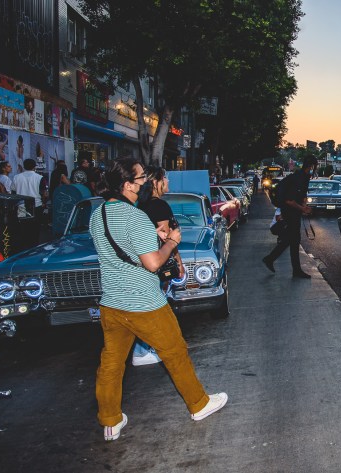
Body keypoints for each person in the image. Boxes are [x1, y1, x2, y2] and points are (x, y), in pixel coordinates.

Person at [89, 157, 227, 441]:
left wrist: (148, 236)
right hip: (144, 303)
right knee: (175, 352)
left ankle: (111, 421)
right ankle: (199, 404)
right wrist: (172, 242)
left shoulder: (98, 213)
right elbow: (152, 263)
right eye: (141, 179)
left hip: (112, 304)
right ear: (128, 185)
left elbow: (119, 245)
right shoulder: (136, 217)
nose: (146, 183)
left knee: (112, 364)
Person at [132, 165, 185, 367]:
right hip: (157, 262)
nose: (168, 182)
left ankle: (144, 348)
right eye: (166, 178)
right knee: (156, 308)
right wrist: (179, 263)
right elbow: (167, 239)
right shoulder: (159, 206)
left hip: (143, 262)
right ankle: (143, 349)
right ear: (156, 182)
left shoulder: (140, 205)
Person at [262, 156, 317, 278]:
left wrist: (304, 205)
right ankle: (271, 259)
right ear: (311, 166)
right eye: (314, 167)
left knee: (293, 240)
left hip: (294, 212)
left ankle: (294, 269)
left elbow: (302, 196)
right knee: (291, 239)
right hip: (289, 212)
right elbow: (289, 201)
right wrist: (303, 209)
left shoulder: (305, 178)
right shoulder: (298, 178)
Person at [12, 158, 46, 243]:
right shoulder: (40, 178)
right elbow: (44, 193)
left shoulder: (16, 177)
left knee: (23, 229)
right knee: (35, 229)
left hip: (21, 206)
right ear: (35, 166)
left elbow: (13, 192)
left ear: (24, 166)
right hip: (36, 206)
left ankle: (24, 248)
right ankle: (34, 247)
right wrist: (44, 203)